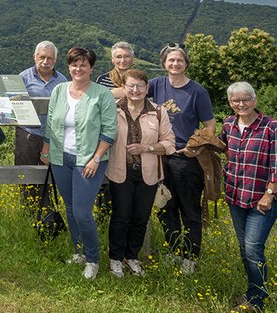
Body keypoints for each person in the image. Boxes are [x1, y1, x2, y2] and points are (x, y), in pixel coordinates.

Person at [40, 48, 117, 280]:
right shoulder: (59, 90)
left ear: (91, 68)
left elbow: (110, 130)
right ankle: (78, 251)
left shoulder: (102, 94)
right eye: (74, 64)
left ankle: (93, 259)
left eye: (83, 64)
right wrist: (46, 149)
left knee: (83, 212)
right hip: (60, 157)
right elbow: (51, 123)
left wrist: (96, 158)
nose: (78, 69)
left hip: (90, 159)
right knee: (71, 208)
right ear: (68, 66)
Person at [220, 82, 277, 313]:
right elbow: (225, 151)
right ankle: (253, 291)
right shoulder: (229, 124)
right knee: (245, 249)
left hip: (262, 200)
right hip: (235, 196)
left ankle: (257, 300)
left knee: (253, 249)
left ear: (255, 100)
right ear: (230, 103)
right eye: (236, 101)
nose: (241, 104)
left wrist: (269, 194)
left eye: (246, 99)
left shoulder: (271, 127)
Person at [148, 43, 214, 275]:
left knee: (189, 210)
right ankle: (174, 251)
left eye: (179, 60)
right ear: (164, 63)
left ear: (186, 63)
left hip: (185, 161)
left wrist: (193, 147)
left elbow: (210, 125)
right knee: (166, 206)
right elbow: (130, 91)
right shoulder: (156, 85)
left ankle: (191, 257)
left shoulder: (197, 91)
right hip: (160, 157)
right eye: (171, 60)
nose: (175, 64)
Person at [105, 69, 175, 277]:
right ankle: (115, 258)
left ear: (147, 88)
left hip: (148, 173)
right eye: (131, 86)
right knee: (121, 216)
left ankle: (132, 256)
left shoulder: (158, 111)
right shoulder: (113, 110)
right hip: (120, 171)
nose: (135, 90)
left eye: (140, 86)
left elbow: (169, 143)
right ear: (123, 88)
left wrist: (147, 148)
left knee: (141, 217)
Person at [16, 41, 67, 209]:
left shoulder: (62, 81)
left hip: (54, 137)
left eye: (50, 58)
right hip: (28, 134)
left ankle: (48, 212)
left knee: (50, 176)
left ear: (55, 60)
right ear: (35, 57)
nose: (45, 62)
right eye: (42, 57)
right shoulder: (23, 78)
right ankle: (28, 211)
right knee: (26, 174)